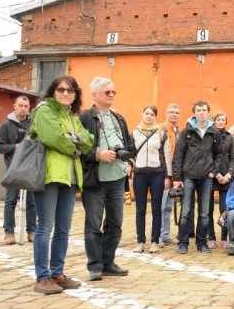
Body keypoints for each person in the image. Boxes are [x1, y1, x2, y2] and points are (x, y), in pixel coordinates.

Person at [30, 76, 94, 294]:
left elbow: (88, 140)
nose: (65, 93)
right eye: (61, 89)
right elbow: (55, 138)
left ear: (75, 94)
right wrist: (73, 142)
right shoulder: (44, 111)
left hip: (70, 177)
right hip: (48, 176)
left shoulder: (72, 116)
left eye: (70, 90)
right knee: (45, 226)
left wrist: (74, 140)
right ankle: (42, 276)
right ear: (53, 91)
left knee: (63, 229)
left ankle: (57, 272)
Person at [79, 77, 134, 281]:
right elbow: (77, 147)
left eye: (113, 92)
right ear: (94, 95)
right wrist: (97, 154)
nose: (111, 95)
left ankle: (108, 262)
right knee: (93, 225)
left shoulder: (118, 118)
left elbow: (129, 145)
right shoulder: (85, 117)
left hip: (118, 178)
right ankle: (95, 265)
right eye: (107, 92)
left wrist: (129, 162)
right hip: (95, 179)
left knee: (115, 223)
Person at [172, 100, 224, 255]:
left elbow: (219, 155)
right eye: (199, 110)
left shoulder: (214, 132)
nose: (202, 112)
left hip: (206, 177)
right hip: (188, 176)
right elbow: (178, 155)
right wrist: (177, 177)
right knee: (186, 211)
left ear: (208, 112)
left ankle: (201, 243)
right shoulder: (187, 132)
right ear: (194, 112)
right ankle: (183, 242)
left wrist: (213, 171)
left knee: (205, 213)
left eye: (204, 110)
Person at [131, 105, 172, 253]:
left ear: (155, 117)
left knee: (157, 209)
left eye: (152, 114)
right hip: (140, 174)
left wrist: (168, 176)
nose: (149, 116)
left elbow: (167, 156)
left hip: (157, 173)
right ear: (142, 115)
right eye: (146, 113)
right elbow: (130, 154)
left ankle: (155, 241)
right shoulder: (135, 133)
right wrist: (131, 172)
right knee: (140, 209)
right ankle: (140, 242)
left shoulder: (161, 133)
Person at [0, 95, 36, 244]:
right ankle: (9, 233)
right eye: (21, 105)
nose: (23, 109)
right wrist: (16, 147)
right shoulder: (6, 125)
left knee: (31, 202)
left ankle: (32, 231)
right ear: (14, 106)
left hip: (30, 168)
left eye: (26, 106)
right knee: (11, 200)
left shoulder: (34, 123)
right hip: (12, 168)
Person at [207, 111, 234, 249]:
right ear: (214, 121)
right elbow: (208, 157)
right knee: (208, 209)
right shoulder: (209, 135)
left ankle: (224, 237)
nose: (221, 122)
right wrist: (216, 174)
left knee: (225, 208)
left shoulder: (229, 137)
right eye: (218, 119)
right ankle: (211, 237)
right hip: (211, 176)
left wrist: (229, 174)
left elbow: (232, 157)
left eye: (223, 120)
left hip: (226, 177)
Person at [159, 103, 181, 245]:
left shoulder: (177, 130)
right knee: (160, 206)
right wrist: (166, 174)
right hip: (163, 172)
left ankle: (165, 234)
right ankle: (159, 236)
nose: (174, 114)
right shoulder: (161, 129)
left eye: (176, 112)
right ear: (166, 113)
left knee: (168, 205)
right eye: (171, 112)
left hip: (173, 172)